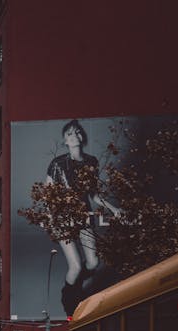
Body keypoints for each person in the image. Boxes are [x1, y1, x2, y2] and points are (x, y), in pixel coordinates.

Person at [46, 119, 121, 315]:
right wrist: (53, 219)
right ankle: (69, 299)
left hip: (84, 217)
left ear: (82, 136)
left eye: (77, 132)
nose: (75, 136)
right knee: (76, 265)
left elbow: (94, 195)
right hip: (63, 219)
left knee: (94, 263)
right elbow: (47, 195)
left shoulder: (91, 162)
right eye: (70, 134)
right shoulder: (57, 164)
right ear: (65, 140)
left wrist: (113, 208)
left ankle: (77, 285)